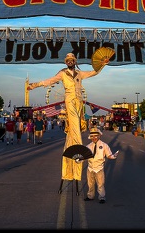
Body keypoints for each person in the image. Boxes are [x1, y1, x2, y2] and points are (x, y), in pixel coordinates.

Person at [28, 52, 108, 181]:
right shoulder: (63, 73)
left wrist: (102, 65)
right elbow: (49, 81)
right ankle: (78, 146)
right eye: (67, 60)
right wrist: (35, 85)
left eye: (71, 60)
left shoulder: (79, 74)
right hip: (69, 99)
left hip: (79, 101)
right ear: (66, 62)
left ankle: (71, 149)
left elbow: (93, 72)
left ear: (75, 61)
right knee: (74, 124)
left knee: (74, 125)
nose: (69, 61)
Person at [84, 127, 118, 204]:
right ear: (90, 137)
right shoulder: (88, 146)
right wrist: (79, 159)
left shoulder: (104, 145)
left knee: (100, 184)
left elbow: (109, 155)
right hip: (90, 168)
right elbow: (84, 157)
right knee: (90, 184)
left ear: (99, 136)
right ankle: (90, 196)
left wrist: (113, 156)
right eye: (92, 136)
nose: (94, 138)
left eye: (96, 136)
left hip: (99, 168)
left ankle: (102, 197)